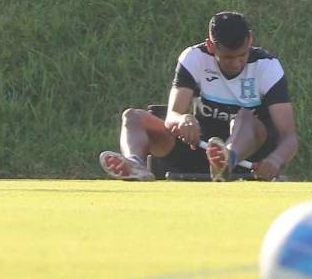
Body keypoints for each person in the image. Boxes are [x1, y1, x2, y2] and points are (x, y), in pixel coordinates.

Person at [99, 12, 298, 182]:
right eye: (228, 58)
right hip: (199, 147)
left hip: (248, 154)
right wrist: (183, 119)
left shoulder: (267, 67)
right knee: (133, 117)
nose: (236, 64)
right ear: (211, 46)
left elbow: (289, 136)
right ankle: (135, 165)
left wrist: (275, 160)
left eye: (242, 56)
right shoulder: (194, 58)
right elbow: (173, 115)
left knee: (244, 116)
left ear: (250, 41)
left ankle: (226, 160)